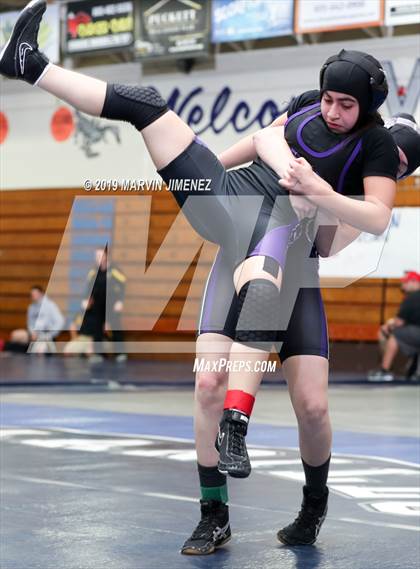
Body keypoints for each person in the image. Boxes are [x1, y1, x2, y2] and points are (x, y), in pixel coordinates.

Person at [0, 1, 399, 554]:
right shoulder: (309, 107)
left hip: (290, 259)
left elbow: (362, 225)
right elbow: (261, 140)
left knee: (311, 404)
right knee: (148, 107)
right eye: (328, 98)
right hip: (236, 207)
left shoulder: (374, 151)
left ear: (374, 116)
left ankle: (310, 502)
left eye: (345, 104)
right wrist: (202, 165)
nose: (331, 111)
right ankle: (30, 64)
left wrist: (322, 195)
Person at [368, 271, 420, 382]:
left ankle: (385, 370)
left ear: (414, 282)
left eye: (405, 282)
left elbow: (399, 322)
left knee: (396, 335)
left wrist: (389, 325)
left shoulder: (412, 297)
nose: (403, 286)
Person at [81, 248, 127, 362]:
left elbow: (122, 286)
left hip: (112, 304)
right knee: (97, 329)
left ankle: (120, 353)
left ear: (106, 256)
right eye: (96, 256)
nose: (98, 258)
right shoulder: (93, 272)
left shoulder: (114, 271)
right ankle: (98, 353)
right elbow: (88, 288)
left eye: (101, 255)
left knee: (116, 328)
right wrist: (86, 299)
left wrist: (120, 301)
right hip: (98, 304)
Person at [4, 285, 64, 354]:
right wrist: (32, 333)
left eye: (35, 294)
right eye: (32, 295)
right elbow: (30, 323)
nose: (33, 296)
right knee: (15, 335)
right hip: (34, 335)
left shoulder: (50, 305)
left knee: (40, 350)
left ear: (41, 294)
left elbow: (60, 321)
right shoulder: (31, 307)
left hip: (46, 335)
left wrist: (51, 334)